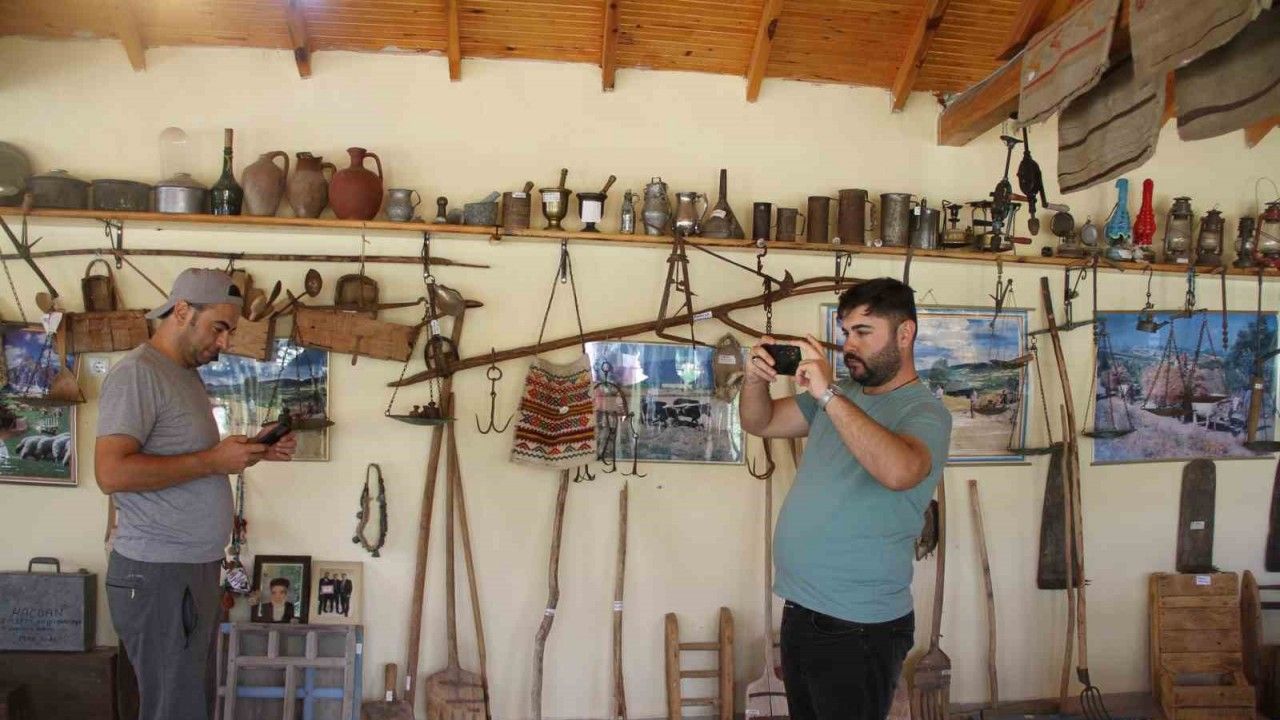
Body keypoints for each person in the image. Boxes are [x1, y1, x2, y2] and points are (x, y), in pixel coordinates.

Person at [740, 277, 952, 720]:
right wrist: (754, 381)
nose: (849, 345)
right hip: (802, 608)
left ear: (905, 333)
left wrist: (827, 393)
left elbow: (899, 471)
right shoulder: (841, 397)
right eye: (845, 332)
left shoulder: (924, 411)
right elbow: (761, 422)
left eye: (863, 332)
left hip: (859, 625)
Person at [96, 268, 298, 720]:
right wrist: (212, 461)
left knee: (188, 702)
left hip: (189, 569)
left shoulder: (183, 375)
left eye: (230, 332)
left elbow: (192, 461)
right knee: (173, 706)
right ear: (182, 311)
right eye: (218, 328)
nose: (224, 342)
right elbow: (111, 473)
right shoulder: (137, 375)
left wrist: (253, 451)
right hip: (158, 573)